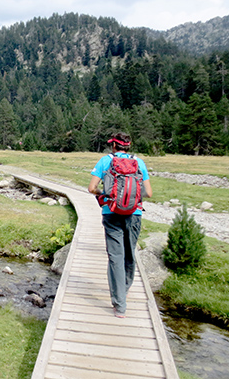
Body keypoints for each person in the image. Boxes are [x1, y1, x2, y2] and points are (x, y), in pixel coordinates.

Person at [88, 132, 153, 318]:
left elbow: (91, 188)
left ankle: (119, 305)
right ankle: (124, 288)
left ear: (114, 146)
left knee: (115, 257)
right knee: (129, 254)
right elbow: (148, 193)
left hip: (112, 213)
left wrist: (107, 194)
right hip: (134, 214)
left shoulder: (105, 161)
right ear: (128, 146)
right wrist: (131, 198)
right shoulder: (139, 163)